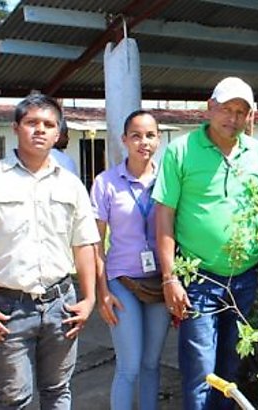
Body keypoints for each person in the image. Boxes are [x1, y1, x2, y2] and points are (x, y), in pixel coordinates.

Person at [0, 94, 99, 409]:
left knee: (58, 391)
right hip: (9, 308)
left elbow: (84, 244)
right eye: (32, 122)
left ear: (58, 133)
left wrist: (88, 299)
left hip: (61, 305)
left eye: (49, 125)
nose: (40, 130)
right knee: (14, 397)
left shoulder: (71, 185)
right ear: (16, 127)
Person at [152, 77, 258, 410]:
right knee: (200, 369)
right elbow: (164, 216)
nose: (233, 118)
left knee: (231, 367)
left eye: (242, 112)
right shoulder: (181, 150)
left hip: (245, 277)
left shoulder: (255, 152)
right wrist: (169, 278)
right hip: (199, 277)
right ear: (210, 107)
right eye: (226, 109)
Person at [91, 110, 168, 410]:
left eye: (150, 135)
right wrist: (102, 292)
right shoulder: (106, 182)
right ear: (124, 140)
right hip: (122, 280)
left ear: (159, 139)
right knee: (130, 366)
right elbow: (94, 243)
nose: (143, 142)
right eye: (136, 135)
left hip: (161, 281)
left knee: (152, 363)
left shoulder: (168, 179)